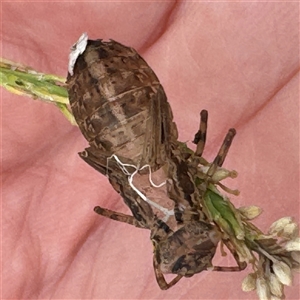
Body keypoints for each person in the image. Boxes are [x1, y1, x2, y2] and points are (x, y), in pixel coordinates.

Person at [2, 2, 299, 299]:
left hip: (139, 115)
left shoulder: (192, 192)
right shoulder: (145, 217)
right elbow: (106, 198)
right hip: (107, 125)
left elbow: (219, 137)